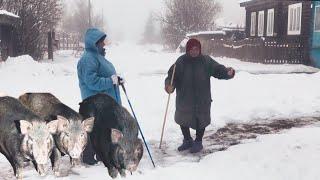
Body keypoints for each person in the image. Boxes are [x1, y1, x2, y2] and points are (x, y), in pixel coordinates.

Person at [164, 38, 235, 153]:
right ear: (187, 50)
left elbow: (217, 69)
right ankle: (187, 140)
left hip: (202, 98)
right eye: (192, 49)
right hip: (184, 98)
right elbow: (171, 76)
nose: (194, 51)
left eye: (197, 49)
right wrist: (169, 86)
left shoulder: (206, 61)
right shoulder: (181, 62)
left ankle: (198, 141)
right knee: (183, 118)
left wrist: (227, 72)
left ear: (200, 49)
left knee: (201, 119)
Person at [77, 28, 123, 164]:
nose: (104, 44)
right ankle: (88, 157)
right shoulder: (88, 58)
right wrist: (111, 81)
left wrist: (116, 79)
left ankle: (99, 154)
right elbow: (92, 81)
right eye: (101, 42)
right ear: (94, 43)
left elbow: (103, 75)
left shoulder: (96, 57)